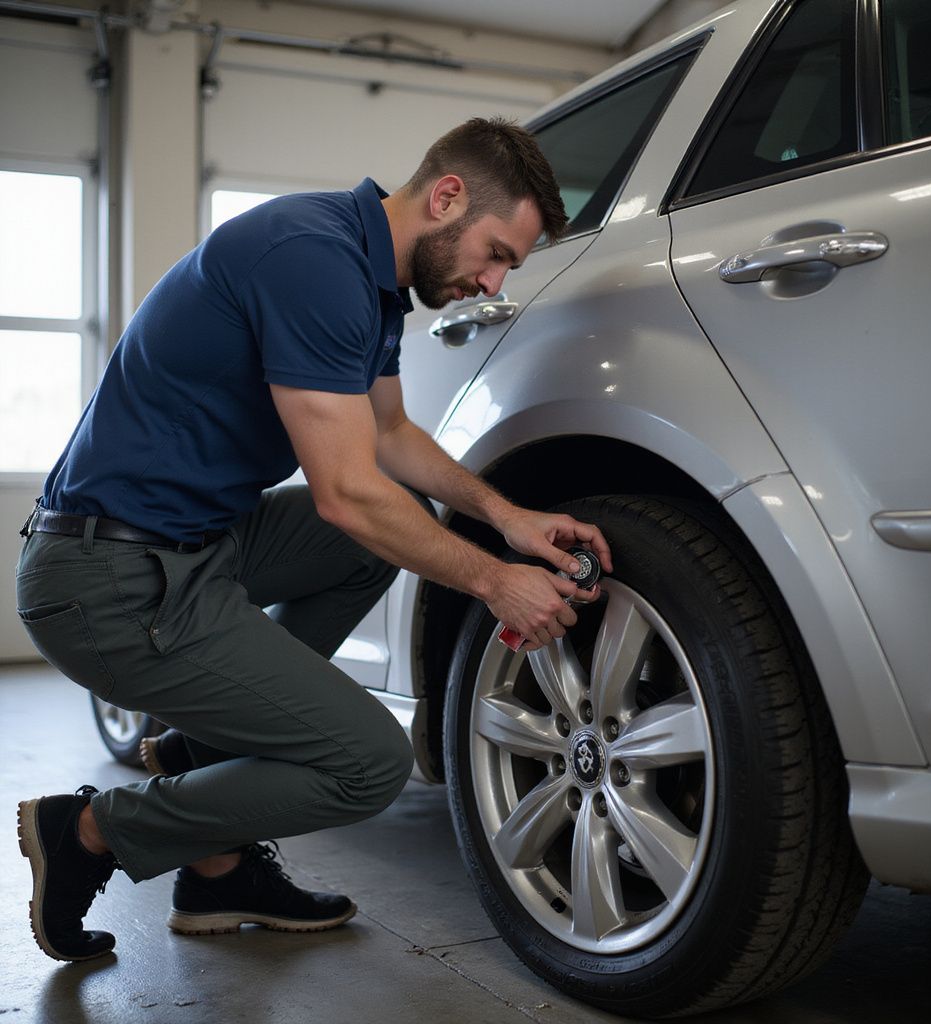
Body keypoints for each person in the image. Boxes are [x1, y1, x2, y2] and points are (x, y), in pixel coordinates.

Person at [15, 117, 612, 962]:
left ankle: (216, 844)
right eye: (496, 252)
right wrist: (496, 580)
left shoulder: (368, 279)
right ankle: (85, 829)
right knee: (367, 762)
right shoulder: (310, 258)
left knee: (389, 531)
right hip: (105, 576)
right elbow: (344, 493)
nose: (491, 281)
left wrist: (506, 518)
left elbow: (392, 435)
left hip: (193, 542)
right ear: (446, 196)